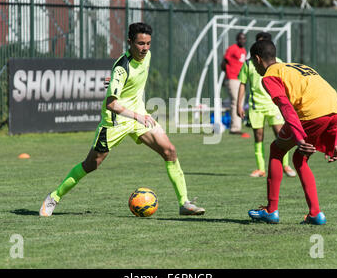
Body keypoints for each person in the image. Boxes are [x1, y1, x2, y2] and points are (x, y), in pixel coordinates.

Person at [39, 22, 205, 217]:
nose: (145, 48)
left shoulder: (146, 56)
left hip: (138, 116)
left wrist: (135, 110)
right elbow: (111, 103)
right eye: (140, 44)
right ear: (130, 42)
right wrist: (136, 113)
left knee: (169, 151)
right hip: (115, 121)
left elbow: (130, 83)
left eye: (148, 43)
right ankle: (54, 197)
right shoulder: (121, 68)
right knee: (91, 164)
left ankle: (184, 203)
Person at [247, 40, 337, 225]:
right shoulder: (295, 66)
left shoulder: (269, 76)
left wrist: (298, 137)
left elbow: (285, 107)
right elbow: (323, 95)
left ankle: (271, 210)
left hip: (312, 113)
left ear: (258, 59)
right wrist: (333, 140)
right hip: (336, 108)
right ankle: (315, 214)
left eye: (253, 63)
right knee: (300, 159)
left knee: (276, 150)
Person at [237, 32, 296, 178]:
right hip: (256, 105)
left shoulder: (278, 62)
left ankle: (285, 165)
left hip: (273, 105)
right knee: (258, 136)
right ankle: (261, 168)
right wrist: (239, 104)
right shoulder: (249, 64)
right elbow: (243, 84)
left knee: (281, 134)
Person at [221, 32, 247, 134]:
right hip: (232, 78)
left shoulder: (243, 50)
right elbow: (223, 63)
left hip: (240, 79)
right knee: (235, 101)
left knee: (240, 102)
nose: (242, 40)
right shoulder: (232, 48)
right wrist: (227, 74)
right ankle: (234, 128)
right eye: (241, 39)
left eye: (244, 39)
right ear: (237, 39)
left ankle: (237, 126)